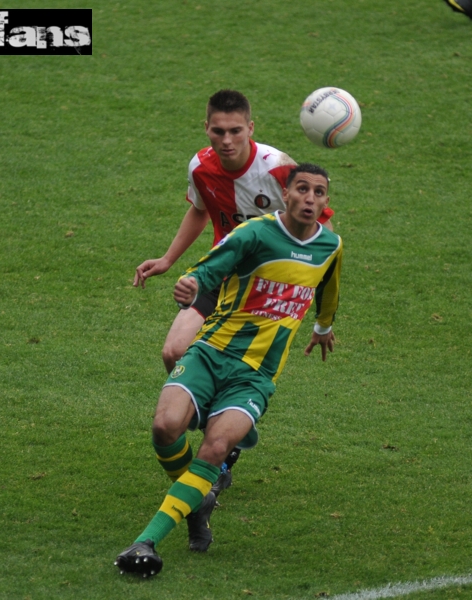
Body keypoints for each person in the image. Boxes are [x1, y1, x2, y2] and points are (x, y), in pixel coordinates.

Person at [116, 163, 343, 578]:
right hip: (211, 351)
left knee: (215, 449)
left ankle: (145, 541)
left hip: (255, 375)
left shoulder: (330, 246)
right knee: (165, 427)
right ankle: (197, 496)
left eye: (319, 192)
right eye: (303, 190)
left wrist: (323, 327)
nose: (310, 199)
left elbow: (329, 285)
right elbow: (207, 269)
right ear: (286, 194)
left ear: (326, 202)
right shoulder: (254, 233)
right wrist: (189, 283)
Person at [132, 90, 334, 516]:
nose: (227, 140)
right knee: (172, 351)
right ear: (206, 129)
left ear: (251, 129)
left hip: (259, 285)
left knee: (196, 359)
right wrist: (169, 259)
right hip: (219, 275)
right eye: (218, 131)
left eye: (236, 131)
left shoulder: (279, 169)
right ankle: (222, 437)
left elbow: (317, 229)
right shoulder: (200, 166)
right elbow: (200, 210)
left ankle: (220, 449)